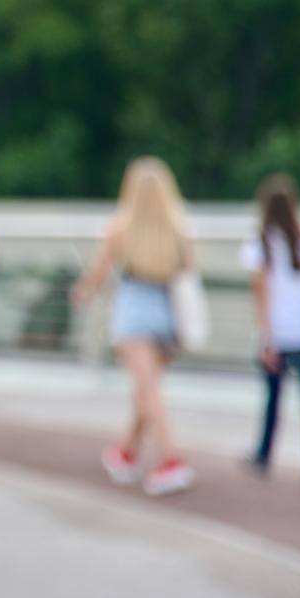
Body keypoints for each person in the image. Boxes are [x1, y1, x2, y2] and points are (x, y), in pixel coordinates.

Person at [71, 156, 197, 497]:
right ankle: (126, 451)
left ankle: (171, 458)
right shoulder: (178, 229)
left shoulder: (121, 227)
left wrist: (83, 292)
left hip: (134, 309)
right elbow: (188, 270)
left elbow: (98, 273)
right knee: (147, 386)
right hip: (166, 311)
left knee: (148, 390)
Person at [240, 173, 300, 484]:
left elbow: (261, 296)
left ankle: (264, 454)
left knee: (272, 400)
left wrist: (266, 337)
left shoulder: (262, 246)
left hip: (278, 335)